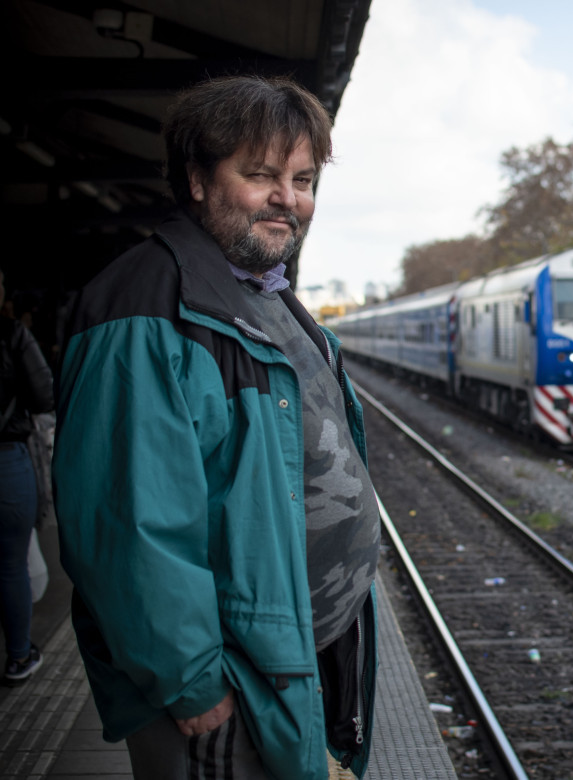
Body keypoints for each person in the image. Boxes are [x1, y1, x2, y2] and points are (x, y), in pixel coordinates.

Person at [54, 76, 380, 779]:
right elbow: (128, 525)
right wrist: (192, 686)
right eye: (259, 175)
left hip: (294, 653)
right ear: (198, 179)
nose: (286, 199)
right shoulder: (148, 307)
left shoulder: (262, 293)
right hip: (229, 685)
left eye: (301, 179)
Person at [0, 268, 54, 685]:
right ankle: (18, 656)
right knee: (11, 564)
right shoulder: (12, 334)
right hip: (7, 461)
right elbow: (42, 396)